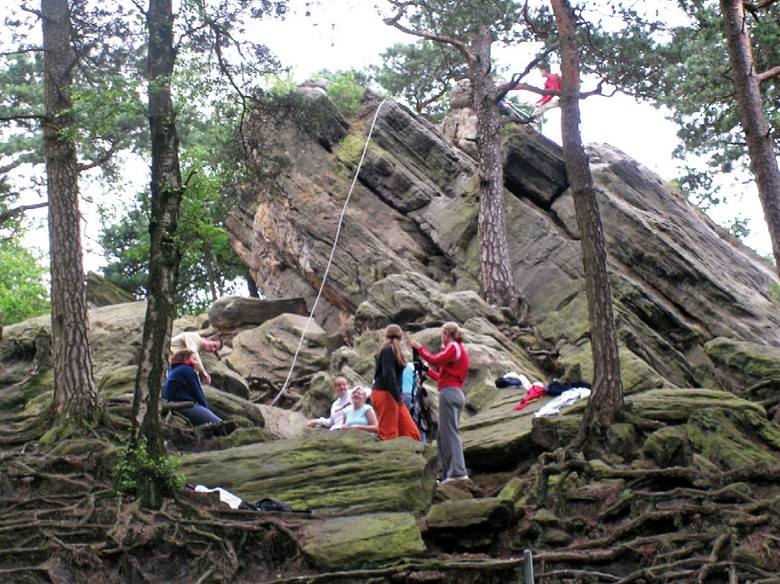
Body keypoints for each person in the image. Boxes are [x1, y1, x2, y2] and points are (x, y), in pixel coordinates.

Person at [411, 322, 470, 483]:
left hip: (449, 394)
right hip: (455, 392)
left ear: (447, 334)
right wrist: (427, 371)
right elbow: (442, 376)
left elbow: (436, 360)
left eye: (442, 334)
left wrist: (420, 348)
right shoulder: (459, 350)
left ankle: (457, 472)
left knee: (450, 433)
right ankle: (448, 474)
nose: (441, 338)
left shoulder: (452, 347)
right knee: (442, 436)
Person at [371, 324, 421, 441]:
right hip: (386, 393)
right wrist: (398, 396)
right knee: (389, 433)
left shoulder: (390, 350)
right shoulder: (388, 350)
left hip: (392, 394)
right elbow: (389, 376)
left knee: (411, 433)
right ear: (401, 336)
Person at [163, 349, 224, 427]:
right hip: (182, 405)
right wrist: (206, 409)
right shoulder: (187, 370)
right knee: (220, 425)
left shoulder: (174, 370)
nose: (196, 362)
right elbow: (198, 393)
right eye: (194, 359)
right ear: (186, 359)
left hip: (173, 403)